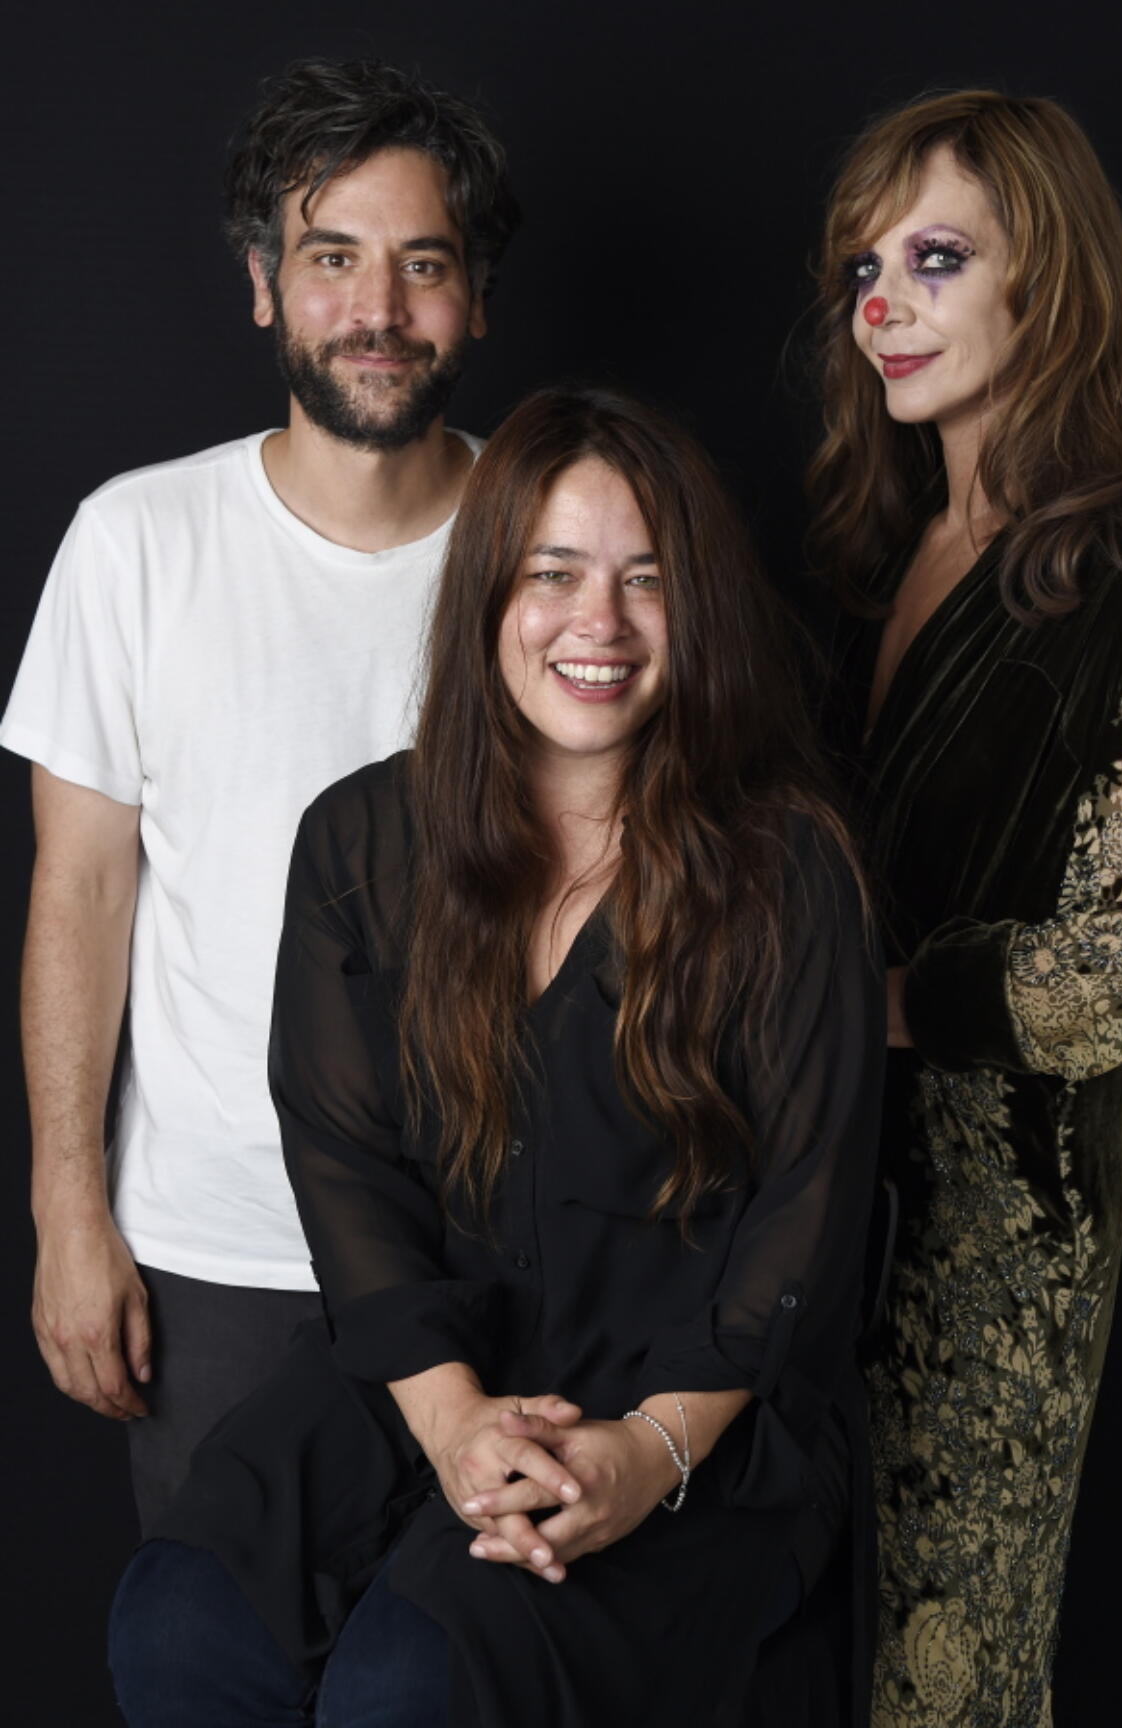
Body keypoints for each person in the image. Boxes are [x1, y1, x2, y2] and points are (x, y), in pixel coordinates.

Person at [108, 385, 886, 1727]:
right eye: (556, 574)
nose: (600, 622)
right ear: (486, 597)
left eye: (647, 580)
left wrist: (644, 1457)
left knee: (414, 1683)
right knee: (180, 1623)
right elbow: (347, 1174)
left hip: (688, 1410)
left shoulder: (786, 869)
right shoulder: (361, 843)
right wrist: (456, 1423)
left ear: (695, 609)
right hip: (429, 1369)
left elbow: (800, 1226)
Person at [0, 57, 518, 1531]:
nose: (377, 308)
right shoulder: (135, 542)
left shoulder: (550, 552)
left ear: (474, 297)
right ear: (263, 285)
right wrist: (66, 1209)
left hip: (498, 1251)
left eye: (424, 265)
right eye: (331, 257)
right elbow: (80, 891)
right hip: (216, 1259)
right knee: (218, 1672)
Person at [807, 89, 1122, 1727]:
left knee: (945, 1665)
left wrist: (871, 1002)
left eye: (934, 258)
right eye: (863, 269)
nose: (881, 305)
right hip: (819, 1185)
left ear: (1044, 284)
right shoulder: (883, 547)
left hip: (999, 1236)